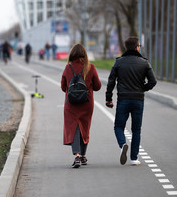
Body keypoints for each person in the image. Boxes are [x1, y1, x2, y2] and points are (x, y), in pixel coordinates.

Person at [105, 37, 157, 166]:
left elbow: (111, 81)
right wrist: (142, 89)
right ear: (137, 47)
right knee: (136, 130)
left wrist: (108, 98)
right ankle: (134, 158)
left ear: (126, 47)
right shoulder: (144, 63)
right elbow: (153, 81)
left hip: (123, 99)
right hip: (138, 100)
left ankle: (123, 144)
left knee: (118, 126)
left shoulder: (118, 62)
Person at [61, 43, 101, 168]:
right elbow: (98, 86)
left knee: (74, 128)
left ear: (72, 54)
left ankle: (77, 156)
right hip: (87, 103)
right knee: (84, 127)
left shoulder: (68, 68)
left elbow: (63, 87)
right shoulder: (91, 67)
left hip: (71, 104)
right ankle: (83, 156)